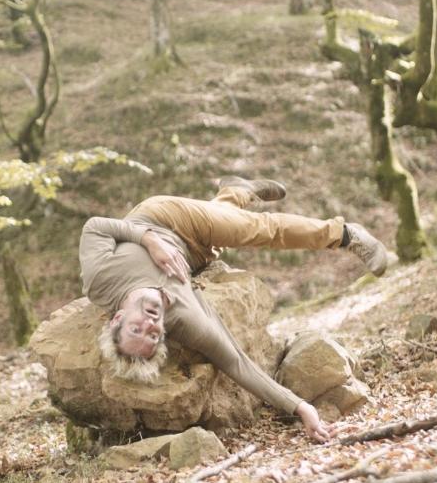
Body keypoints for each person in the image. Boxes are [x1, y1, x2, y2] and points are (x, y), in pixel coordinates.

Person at [78, 177, 389, 442]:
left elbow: (95, 228)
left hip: (162, 219)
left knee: (252, 229)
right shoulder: (187, 320)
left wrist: (149, 241)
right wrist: (299, 407)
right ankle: (236, 190)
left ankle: (346, 234)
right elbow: (237, 362)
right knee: (225, 224)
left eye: (136, 328)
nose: (150, 323)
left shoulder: (100, 281)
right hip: (193, 254)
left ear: (117, 318)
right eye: (153, 335)